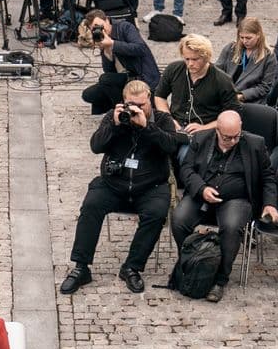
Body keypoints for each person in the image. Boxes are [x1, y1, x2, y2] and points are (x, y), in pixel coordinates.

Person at [60, 79, 186, 295]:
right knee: (91, 205)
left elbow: (171, 146)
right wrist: (115, 125)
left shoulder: (162, 119)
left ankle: (132, 267)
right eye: (132, 105)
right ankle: (81, 267)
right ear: (123, 103)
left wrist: (147, 127)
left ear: (149, 102)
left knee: (156, 213)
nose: (137, 109)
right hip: (114, 183)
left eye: (142, 105)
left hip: (150, 186)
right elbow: (96, 146)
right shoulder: (114, 117)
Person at [171, 110, 278, 301]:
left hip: (236, 198)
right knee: (179, 219)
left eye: (237, 136)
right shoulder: (201, 139)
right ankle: (191, 262)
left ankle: (219, 279)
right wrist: (202, 188)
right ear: (217, 131)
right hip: (201, 193)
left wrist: (270, 204)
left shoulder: (255, 143)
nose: (233, 141)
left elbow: (268, 177)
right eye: (227, 137)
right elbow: (186, 169)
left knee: (231, 227)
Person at [155, 34, 241, 136]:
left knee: (184, 152)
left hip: (204, 132)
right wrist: (169, 120)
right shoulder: (173, 69)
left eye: (195, 59)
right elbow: (160, 96)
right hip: (174, 127)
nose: (190, 64)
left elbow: (233, 114)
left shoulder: (222, 80)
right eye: (187, 59)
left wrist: (204, 128)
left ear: (206, 57)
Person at [79, 8, 160, 116]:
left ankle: (124, 111)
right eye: (95, 29)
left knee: (105, 79)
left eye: (100, 26)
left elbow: (140, 48)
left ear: (107, 20)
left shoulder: (125, 27)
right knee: (88, 94)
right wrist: (107, 50)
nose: (100, 30)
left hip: (142, 77)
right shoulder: (102, 38)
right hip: (125, 78)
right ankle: (122, 104)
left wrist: (113, 44)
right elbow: (109, 71)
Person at [217, 16, 278, 104]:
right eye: (241, 37)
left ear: (258, 35)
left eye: (248, 38)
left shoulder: (269, 56)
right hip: (226, 95)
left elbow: (265, 87)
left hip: (251, 101)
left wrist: (241, 96)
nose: (244, 41)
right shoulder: (230, 48)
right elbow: (217, 71)